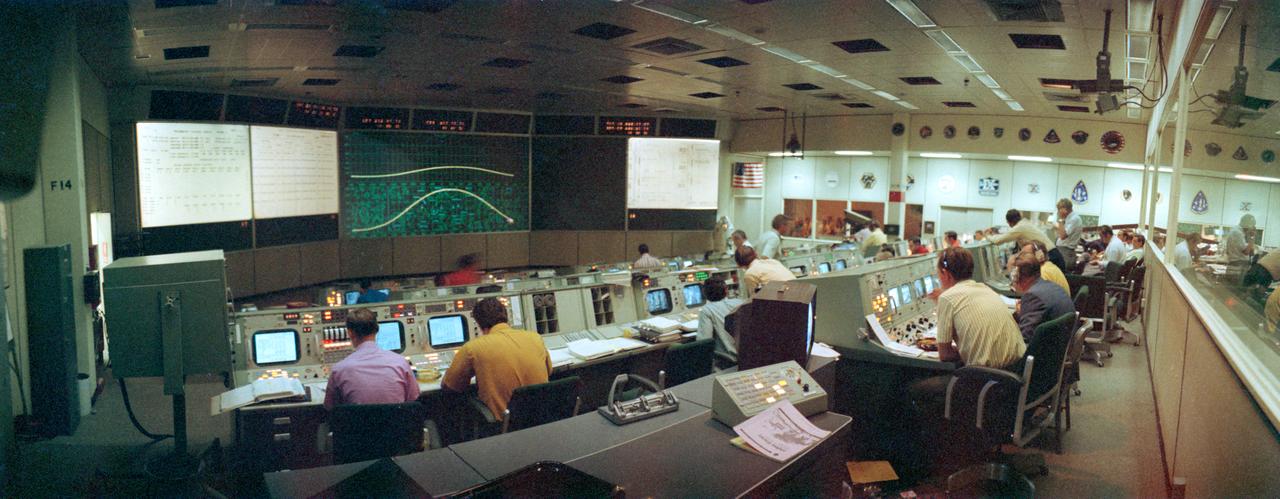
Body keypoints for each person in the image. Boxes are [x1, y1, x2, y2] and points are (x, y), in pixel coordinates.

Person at [442, 298, 551, 420]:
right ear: (506, 316)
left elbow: (450, 386)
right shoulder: (535, 338)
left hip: (504, 425)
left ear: (478, 323)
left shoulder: (473, 348)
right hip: (541, 419)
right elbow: (548, 371)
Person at [929, 247, 1026, 368]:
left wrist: (962, 350)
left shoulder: (946, 298)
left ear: (945, 273)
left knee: (917, 385)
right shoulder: (984, 288)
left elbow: (945, 355)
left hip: (990, 377)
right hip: (1018, 368)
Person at [323, 308, 420, 409]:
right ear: (377, 330)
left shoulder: (339, 370)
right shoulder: (400, 363)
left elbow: (330, 408)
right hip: (396, 424)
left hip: (357, 425)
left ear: (350, 333)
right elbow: (412, 398)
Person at [1011, 252, 1075, 343]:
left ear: (1017, 277)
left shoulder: (1032, 296)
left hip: (1044, 353)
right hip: (1060, 344)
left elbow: (1025, 338)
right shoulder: (1052, 286)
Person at [696, 277, 744, 363]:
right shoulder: (741, 303)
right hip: (746, 356)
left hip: (727, 361)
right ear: (726, 290)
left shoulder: (707, 310)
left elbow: (703, 341)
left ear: (704, 293)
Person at [988, 209, 1055, 252]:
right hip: (1051, 251)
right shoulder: (1024, 223)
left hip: (1050, 254)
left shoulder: (1019, 227)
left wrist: (987, 235)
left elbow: (997, 241)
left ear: (1008, 222)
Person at [1054, 198, 1084, 269]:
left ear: (1065, 209)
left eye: (1059, 209)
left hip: (1066, 252)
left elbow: (1063, 236)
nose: (1058, 212)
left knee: (1063, 273)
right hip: (1062, 250)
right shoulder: (1069, 218)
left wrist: (1060, 219)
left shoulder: (1074, 219)